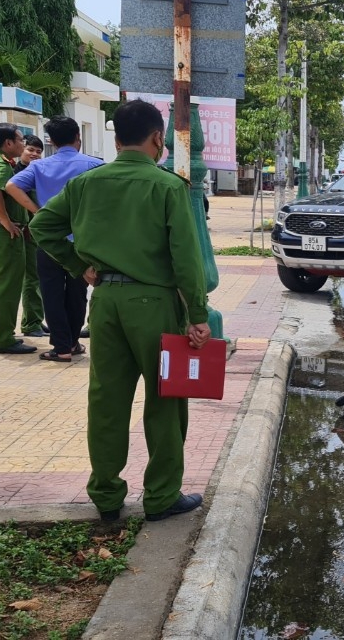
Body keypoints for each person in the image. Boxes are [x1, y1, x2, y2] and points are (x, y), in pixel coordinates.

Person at [30, 100, 211, 522]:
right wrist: (197, 313)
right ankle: (162, 495)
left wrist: (80, 265)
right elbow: (186, 257)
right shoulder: (168, 186)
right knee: (166, 399)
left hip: (106, 303)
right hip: (154, 303)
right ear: (156, 139)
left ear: (115, 140)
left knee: (107, 401)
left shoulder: (87, 182)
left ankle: (107, 496)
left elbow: (42, 228)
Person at [8, 117, 103, 362]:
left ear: (52, 141)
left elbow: (11, 186)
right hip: (83, 240)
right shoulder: (95, 165)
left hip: (48, 240)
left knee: (51, 293)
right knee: (77, 292)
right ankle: (72, 343)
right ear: (77, 139)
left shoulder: (39, 166)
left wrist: (38, 211)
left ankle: (60, 348)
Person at [0, 124, 39, 353]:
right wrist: (5, 221)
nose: (23, 144)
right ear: (8, 143)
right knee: (6, 287)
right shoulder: (0, 165)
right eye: (20, 140)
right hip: (1, 234)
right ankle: (3, 339)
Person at [14, 135, 46, 338]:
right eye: (30, 150)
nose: (34, 154)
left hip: (35, 232)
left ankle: (35, 318)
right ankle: (31, 323)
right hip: (25, 231)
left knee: (37, 278)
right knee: (31, 279)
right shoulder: (15, 173)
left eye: (38, 151)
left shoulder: (36, 172)